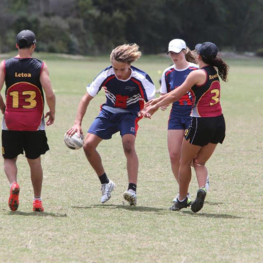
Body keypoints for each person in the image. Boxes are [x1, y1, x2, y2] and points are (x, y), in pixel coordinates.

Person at [144, 42, 229, 213]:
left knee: (184, 162)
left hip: (200, 123)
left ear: (198, 57)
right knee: (199, 162)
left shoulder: (197, 74)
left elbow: (177, 93)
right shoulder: (214, 72)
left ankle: (182, 199)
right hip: (219, 123)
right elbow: (177, 92)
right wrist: (156, 101)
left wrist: (154, 107)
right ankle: (202, 189)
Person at [67, 43, 155, 206]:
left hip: (129, 114)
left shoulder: (140, 78)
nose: (118, 73)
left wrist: (148, 111)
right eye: (115, 69)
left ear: (129, 65)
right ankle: (106, 183)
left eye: (122, 69)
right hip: (108, 113)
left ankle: (132, 190)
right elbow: (85, 98)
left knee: (128, 145)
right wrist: (77, 123)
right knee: (87, 145)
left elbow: (152, 102)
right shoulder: (106, 74)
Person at [0, 30, 56, 212]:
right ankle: (37, 200)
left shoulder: (5, 65)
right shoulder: (40, 66)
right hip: (34, 123)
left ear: (16, 45)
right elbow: (49, 93)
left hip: (11, 121)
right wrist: (52, 112)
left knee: (9, 158)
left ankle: (13, 184)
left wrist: (4, 109)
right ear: (34, 46)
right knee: (35, 162)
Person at [159, 39, 209, 203]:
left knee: (191, 158)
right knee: (174, 156)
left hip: (193, 115)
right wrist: (162, 103)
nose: (174, 56)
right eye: (171, 53)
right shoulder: (167, 73)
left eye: (177, 52)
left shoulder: (195, 70)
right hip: (176, 115)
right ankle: (184, 193)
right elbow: (165, 94)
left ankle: (203, 182)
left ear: (184, 51)